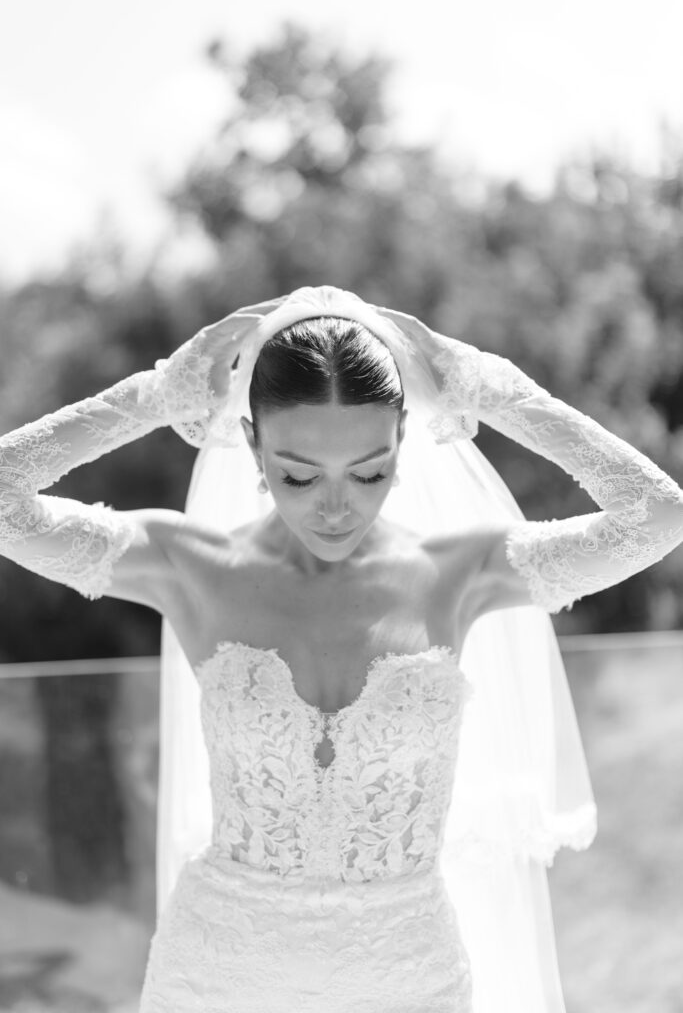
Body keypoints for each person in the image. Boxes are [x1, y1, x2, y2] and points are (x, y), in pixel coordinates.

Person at [1, 284, 682, 1012]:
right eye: (298, 474)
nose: (335, 506)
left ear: (402, 441)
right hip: (216, 976)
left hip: (410, 983)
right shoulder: (188, 566)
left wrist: (495, 393)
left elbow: (655, 516)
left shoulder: (463, 571)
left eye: (368, 471)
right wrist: (153, 396)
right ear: (252, 445)